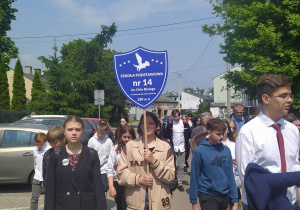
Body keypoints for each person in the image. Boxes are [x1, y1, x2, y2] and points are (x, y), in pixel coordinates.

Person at [236, 75, 300, 210]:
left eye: (290, 95)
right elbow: (247, 178)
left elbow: (294, 164)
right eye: (283, 96)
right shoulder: (248, 132)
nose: (290, 100)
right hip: (263, 204)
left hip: (290, 203)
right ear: (266, 98)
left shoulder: (293, 130)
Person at [45, 116, 107, 210]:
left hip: (86, 205)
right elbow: (50, 188)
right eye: (70, 129)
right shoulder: (56, 155)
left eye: (77, 129)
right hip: (63, 206)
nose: (74, 133)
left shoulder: (91, 154)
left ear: (82, 131)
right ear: (64, 132)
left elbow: (98, 187)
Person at [117, 112, 175, 209]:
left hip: (159, 204)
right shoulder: (130, 146)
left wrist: (154, 162)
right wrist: (139, 179)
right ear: (140, 125)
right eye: (144, 123)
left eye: (151, 123)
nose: (148, 126)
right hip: (135, 204)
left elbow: (170, 177)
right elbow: (120, 174)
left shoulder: (166, 147)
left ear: (156, 125)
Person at [190, 118, 238, 210]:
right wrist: (194, 202)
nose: (221, 136)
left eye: (222, 133)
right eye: (218, 134)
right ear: (209, 133)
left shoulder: (226, 150)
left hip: (224, 195)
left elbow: (230, 176)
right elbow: (194, 177)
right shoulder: (199, 152)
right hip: (207, 195)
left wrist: (234, 200)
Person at [107, 124, 136, 210]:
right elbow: (109, 168)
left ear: (133, 137)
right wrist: (111, 186)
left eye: (129, 137)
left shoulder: (137, 149)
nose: (127, 139)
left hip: (131, 182)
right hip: (118, 181)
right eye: (124, 137)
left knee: (126, 205)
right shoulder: (115, 149)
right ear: (120, 136)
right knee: (119, 205)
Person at [164, 109, 190, 191]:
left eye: (177, 116)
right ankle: (173, 181)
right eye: (174, 116)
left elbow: (189, 133)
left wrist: (188, 144)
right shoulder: (170, 124)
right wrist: (168, 139)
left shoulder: (185, 124)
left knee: (181, 166)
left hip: (182, 147)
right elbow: (166, 134)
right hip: (173, 147)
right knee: (174, 165)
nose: (175, 118)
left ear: (179, 116)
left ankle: (180, 183)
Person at [88, 119, 114, 193]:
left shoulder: (109, 141)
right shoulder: (92, 140)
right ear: (96, 131)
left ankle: (103, 200)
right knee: (94, 187)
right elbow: (88, 154)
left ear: (106, 132)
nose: (100, 135)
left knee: (103, 187)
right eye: (99, 133)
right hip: (94, 168)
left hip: (104, 169)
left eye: (102, 133)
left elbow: (111, 155)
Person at [43, 126, 66, 193]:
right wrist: (45, 184)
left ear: (63, 139)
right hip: (52, 188)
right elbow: (45, 171)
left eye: (55, 142)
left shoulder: (70, 152)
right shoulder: (48, 154)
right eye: (50, 143)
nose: (53, 145)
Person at [30, 133, 50, 210]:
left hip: (46, 177)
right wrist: (37, 175)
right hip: (37, 176)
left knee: (48, 198)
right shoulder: (35, 150)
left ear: (45, 142)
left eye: (40, 144)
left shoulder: (48, 150)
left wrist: (44, 180)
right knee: (34, 198)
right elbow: (36, 164)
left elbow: (47, 167)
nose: (38, 145)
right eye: (37, 143)